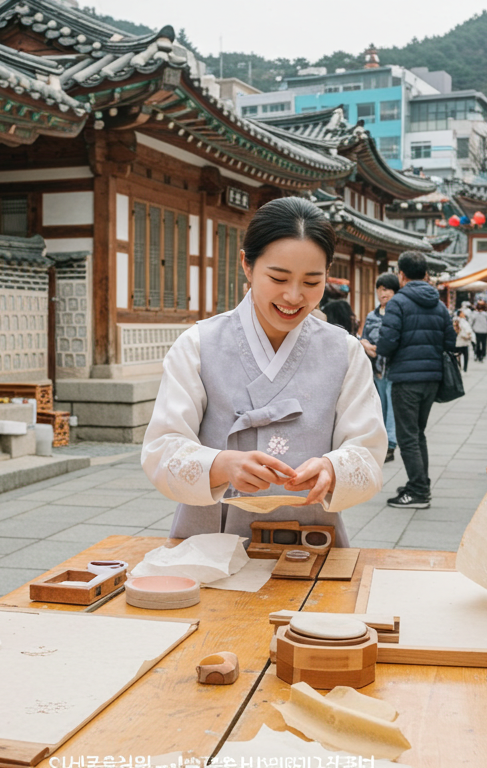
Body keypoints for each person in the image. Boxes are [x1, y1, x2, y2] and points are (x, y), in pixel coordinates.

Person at [141, 198, 386, 546]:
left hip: (311, 541)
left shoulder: (344, 352)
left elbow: (368, 451)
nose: (294, 296)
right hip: (209, 543)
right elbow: (161, 448)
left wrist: (334, 469)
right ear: (247, 264)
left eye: (311, 282)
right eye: (278, 277)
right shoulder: (198, 345)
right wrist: (221, 465)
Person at [375, 251, 456, 509]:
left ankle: (418, 491)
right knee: (418, 433)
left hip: (406, 379)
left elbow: (386, 344)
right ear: (426, 274)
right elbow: (450, 342)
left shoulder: (398, 303)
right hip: (432, 378)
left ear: (401, 275)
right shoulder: (439, 305)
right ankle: (420, 483)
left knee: (408, 436)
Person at [360, 273, 401, 463]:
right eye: (380, 289)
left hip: (394, 368)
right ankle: (381, 444)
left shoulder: (399, 314)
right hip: (376, 370)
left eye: (387, 290)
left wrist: (381, 349)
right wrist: (366, 345)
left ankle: (390, 445)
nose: (382, 293)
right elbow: (364, 338)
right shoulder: (371, 315)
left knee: (392, 409)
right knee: (379, 408)